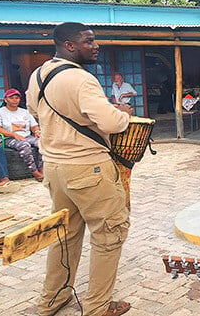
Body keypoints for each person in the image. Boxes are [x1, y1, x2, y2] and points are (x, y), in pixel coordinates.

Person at [26, 22, 132, 316]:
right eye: (89, 41)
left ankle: (52, 301)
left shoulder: (39, 74)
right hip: (88, 168)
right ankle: (97, 307)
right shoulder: (81, 79)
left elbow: (35, 112)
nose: (95, 45)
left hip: (55, 169)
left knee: (65, 235)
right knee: (109, 234)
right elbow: (111, 123)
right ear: (70, 45)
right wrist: (122, 114)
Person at [0, 88, 45, 182]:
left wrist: (36, 131)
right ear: (5, 99)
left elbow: (34, 126)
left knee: (42, 143)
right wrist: (13, 135)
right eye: (12, 98)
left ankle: (42, 170)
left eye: (17, 98)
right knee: (24, 145)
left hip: (26, 136)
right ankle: (34, 172)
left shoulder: (25, 112)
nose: (15, 100)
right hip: (8, 138)